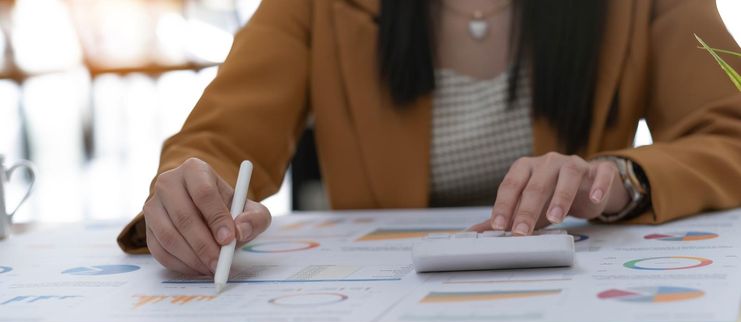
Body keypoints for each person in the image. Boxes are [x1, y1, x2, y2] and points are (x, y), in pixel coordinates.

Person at [117, 0, 741, 276]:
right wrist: (191, 192)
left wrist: (619, 178)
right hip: (377, 315)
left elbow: (729, 131)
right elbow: (220, 139)